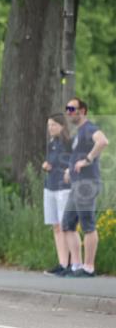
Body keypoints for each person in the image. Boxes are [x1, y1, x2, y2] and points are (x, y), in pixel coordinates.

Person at [62, 98, 109, 278]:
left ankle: (89, 268)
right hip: (77, 184)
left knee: (88, 225)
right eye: (67, 109)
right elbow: (76, 156)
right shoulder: (78, 133)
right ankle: (76, 266)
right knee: (67, 224)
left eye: (72, 109)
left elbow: (103, 141)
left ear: (82, 111)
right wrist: (69, 169)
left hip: (87, 185)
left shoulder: (89, 128)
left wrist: (87, 160)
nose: (68, 112)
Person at [42, 113, 73, 275]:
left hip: (63, 188)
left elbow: (72, 164)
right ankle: (62, 263)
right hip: (50, 187)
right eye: (49, 125)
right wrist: (47, 166)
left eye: (53, 125)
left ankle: (70, 264)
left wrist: (57, 168)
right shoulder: (51, 143)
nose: (50, 128)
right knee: (56, 226)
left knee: (65, 226)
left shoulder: (68, 143)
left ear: (62, 126)